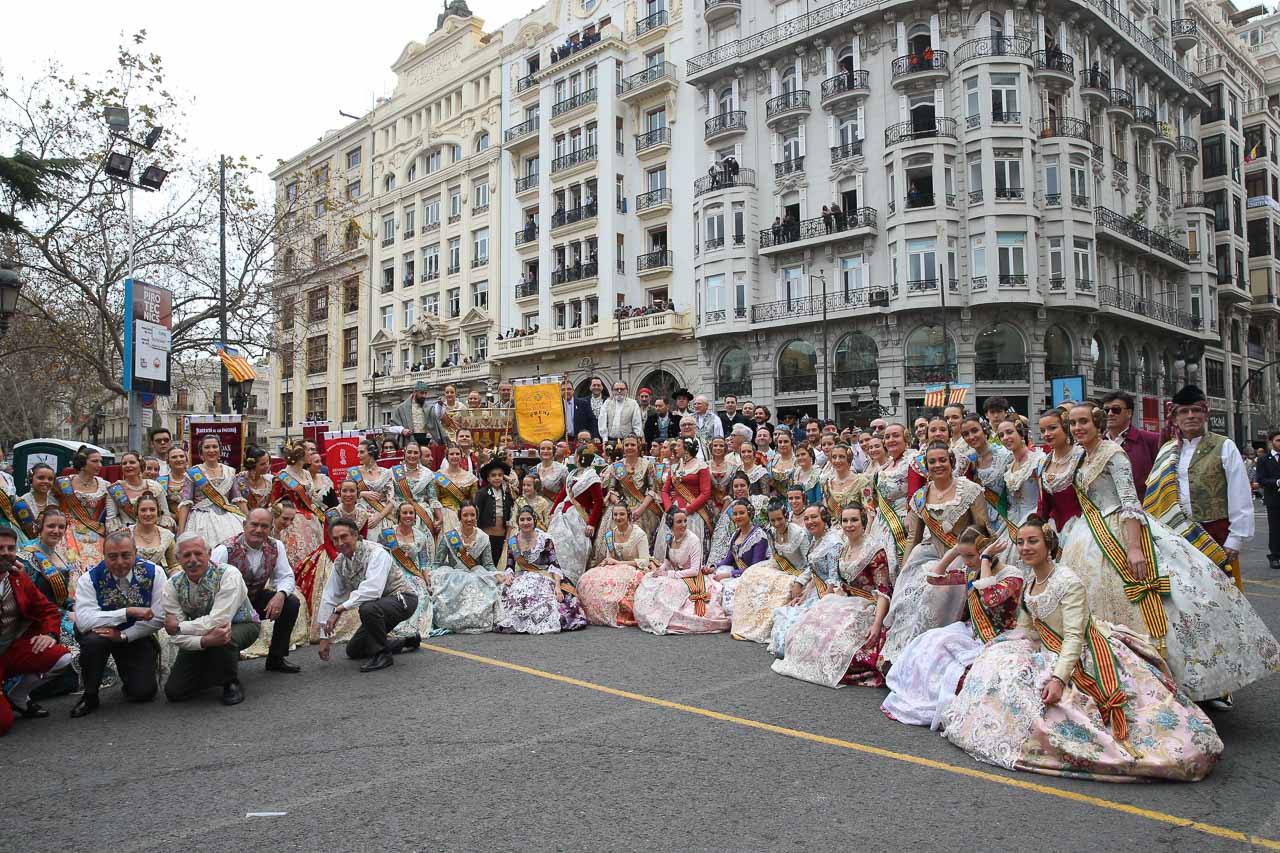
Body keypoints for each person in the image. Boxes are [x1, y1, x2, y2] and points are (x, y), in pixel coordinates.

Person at [941, 517, 1223, 782]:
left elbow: (1074, 638)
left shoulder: (1067, 582)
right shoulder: (1030, 582)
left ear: (1048, 544)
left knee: (1063, 706)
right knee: (998, 665)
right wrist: (1007, 648)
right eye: (1022, 543)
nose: (1026, 548)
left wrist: (1058, 678)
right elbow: (1027, 628)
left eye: (1033, 541)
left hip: (1084, 652)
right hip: (1051, 647)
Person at [1056, 402, 1279, 706]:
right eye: (1072, 423)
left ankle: (1181, 682)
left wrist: (1134, 548)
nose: (1077, 428)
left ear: (1097, 424)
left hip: (1122, 533)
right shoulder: (1080, 457)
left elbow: (1130, 503)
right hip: (1087, 537)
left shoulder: (1113, 454)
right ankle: (1109, 679)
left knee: (1175, 602)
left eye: (1083, 422)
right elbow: (1054, 481)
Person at [881, 527, 1022, 727]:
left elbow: (989, 598)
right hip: (972, 633)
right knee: (930, 641)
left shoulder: (1012, 575)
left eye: (970, 556)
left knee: (949, 658)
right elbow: (934, 578)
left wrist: (985, 559)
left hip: (999, 636)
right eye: (963, 556)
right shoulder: (971, 571)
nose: (966, 562)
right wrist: (954, 551)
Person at [880, 442, 989, 669]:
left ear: (951, 462)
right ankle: (899, 653)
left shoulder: (969, 490)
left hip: (961, 553)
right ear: (926, 466)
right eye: (932, 461)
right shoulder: (920, 495)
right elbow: (914, 537)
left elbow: (982, 530)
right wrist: (905, 567)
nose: (938, 465)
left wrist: (979, 560)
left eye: (942, 460)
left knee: (932, 591)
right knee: (907, 590)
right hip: (929, 551)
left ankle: (924, 652)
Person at [772, 505, 895, 687]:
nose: (849, 525)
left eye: (854, 520)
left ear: (863, 522)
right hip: (846, 601)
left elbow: (884, 592)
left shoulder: (875, 551)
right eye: (845, 520)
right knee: (806, 634)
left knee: (840, 650)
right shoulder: (843, 548)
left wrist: (877, 625)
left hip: (869, 607)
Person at [1146, 386, 1252, 592]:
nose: (1191, 416)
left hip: (1216, 536)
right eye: (1184, 412)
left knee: (1224, 595)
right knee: (1186, 597)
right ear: (1175, 418)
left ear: (1206, 414)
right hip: (1177, 537)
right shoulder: (1168, 450)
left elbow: (1240, 494)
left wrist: (1235, 539)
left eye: (1196, 410)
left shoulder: (1224, 446)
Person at [70, 531, 166, 718]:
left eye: (126, 555)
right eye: (112, 557)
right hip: (100, 634)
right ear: (104, 555)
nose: (120, 562)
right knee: (92, 642)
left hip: (135, 634)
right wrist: (127, 612)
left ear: (135, 552)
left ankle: (130, 676)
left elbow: (159, 617)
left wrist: (124, 635)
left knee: (143, 693)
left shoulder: (155, 573)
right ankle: (90, 695)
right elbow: (84, 621)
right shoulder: (89, 579)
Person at [160, 532, 261, 706]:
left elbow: (219, 620)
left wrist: (179, 627)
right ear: (178, 559)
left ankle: (230, 681)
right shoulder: (172, 585)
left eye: (198, 553)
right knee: (175, 692)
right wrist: (204, 642)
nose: (193, 560)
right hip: (199, 634)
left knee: (222, 635)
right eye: (186, 555)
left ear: (209, 553)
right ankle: (212, 667)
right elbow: (176, 637)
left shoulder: (228, 574)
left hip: (240, 624)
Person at [317, 518, 420, 672]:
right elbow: (330, 596)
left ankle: (383, 655)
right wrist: (324, 638)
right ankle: (405, 642)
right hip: (378, 606)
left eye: (344, 537)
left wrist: (340, 609)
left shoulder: (376, 552)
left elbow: (373, 589)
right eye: (335, 539)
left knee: (367, 608)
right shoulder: (340, 562)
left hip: (403, 599)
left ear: (356, 535)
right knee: (354, 650)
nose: (340, 543)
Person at [211, 508, 303, 674]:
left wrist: (280, 595)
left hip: (254, 598)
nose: (259, 530)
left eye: (264, 526)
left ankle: (276, 658)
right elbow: (209, 585)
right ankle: (223, 668)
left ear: (270, 528)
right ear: (244, 525)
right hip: (227, 604)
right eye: (254, 525)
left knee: (291, 603)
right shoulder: (224, 550)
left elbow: (287, 577)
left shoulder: (276, 546)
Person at [0, 527, 73, 734]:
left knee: (62, 658)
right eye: (0, 548)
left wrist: (49, 634)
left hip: (11, 649)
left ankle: (18, 696)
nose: (5, 552)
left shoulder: (17, 578)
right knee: (2, 724)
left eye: (10, 548)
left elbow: (48, 609)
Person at [634, 508, 731, 635]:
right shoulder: (670, 538)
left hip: (692, 578)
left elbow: (695, 571)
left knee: (669, 588)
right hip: (676, 575)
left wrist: (671, 574)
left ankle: (668, 618)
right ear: (671, 524)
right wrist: (660, 570)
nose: (684, 524)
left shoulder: (693, 540)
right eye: (679, 522)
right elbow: (668, 561)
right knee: (650, 580)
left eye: (685, 521)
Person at [727, 499, 810, 643]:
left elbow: (810, 564)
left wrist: (800, 582)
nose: (777, 524)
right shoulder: (771, 532)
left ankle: (763, 628)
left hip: (799, 572)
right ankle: (747, 624)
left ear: (786, 516)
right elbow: (774, 557)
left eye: (780, 519)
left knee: (778, 586)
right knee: (752, 575)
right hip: (780, 569)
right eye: (773, 520)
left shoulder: (799, 534)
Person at [496, 505, 587, 634]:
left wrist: (557, 586)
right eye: (522, 520)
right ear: (518, 522)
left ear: (534, 520)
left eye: (529, 519)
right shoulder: (513, 541)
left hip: (544, 576)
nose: (526, 523)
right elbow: (509, 566)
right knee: (507, 591)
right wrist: (509, 575)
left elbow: (554, 565)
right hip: (522, 576)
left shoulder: (545, 539)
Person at [579, 504, 650, 626]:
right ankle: (598, 613)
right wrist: (607, 562)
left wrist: (619, 563)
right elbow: (610, 557)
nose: (618, 517)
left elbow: (645, 561)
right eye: (615, 514)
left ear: (628, 515)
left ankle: (620, 613)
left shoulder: (639, 534)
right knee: (588, 578)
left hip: (636, 568)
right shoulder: (610, 535)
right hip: (616, 569)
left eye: (622, 514)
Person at [380, 504, 438, 642]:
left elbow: (424, 563)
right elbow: (379, 556)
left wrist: (427, 582)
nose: (408, 516)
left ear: (415, 516)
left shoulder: (421, 536)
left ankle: (412, 628)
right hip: (393, 575)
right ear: (399, 515)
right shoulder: (387, 533)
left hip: (413, 575)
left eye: (411, 513)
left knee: (422, 596)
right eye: (404, 513)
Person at [547, 446, 605, 583]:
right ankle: (555, 576)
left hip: (578, 518)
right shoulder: (572, 474)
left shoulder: (592, 477)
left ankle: (571, 580)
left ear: (578, 457)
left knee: (575, 550)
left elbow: (598, 502)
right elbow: (562, 495)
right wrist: (552, 512)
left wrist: (591, 523)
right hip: (561, 516)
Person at [179, 436, 247, 546]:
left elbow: (238, 499)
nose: (211, 450)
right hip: (201, 519)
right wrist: (181, 532)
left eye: (215, 447)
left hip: (229, 518)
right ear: (201, 452)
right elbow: (185, 504)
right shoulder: (193, 473)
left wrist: (248, 520)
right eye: (207, 447)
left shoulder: (229, 472)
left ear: (220, 451)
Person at [55, 448, 110, 573]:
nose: (99, 465)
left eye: (100, 461)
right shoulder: (64, 483)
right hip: (69, 532)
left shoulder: (105, 485)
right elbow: (52, 507)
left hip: (96, 530)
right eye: (95, 461)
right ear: (83, 463)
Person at [601, 435, 662, 543]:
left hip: (643, 508)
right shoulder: (616, 466)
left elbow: (653, 490)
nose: (629, 447)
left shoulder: (647, 465)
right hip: (620, 506)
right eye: (627, 445)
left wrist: (640, 509)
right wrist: (621, 507)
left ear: (638, 447)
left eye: (632, 445)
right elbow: (611, 490)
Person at [960, 415, 1013, 537]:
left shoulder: (1005, 455)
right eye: (966, 434)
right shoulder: (968, 460)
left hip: (1006, 518)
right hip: (980, 521)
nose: (971, 437)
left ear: (984, 429)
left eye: (974, 430)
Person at [1101, 391, 1160, 498]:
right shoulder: (1098, 443)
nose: (1110, 414)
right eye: (1106, 410)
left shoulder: (1151, 440)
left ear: (1129, 413)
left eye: (1116, 410)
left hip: (1142, 509)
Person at [996, 418, 1045, 529]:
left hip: (1034, 519)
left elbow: (1044, 498)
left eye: (1009, 432)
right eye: (1001, 435)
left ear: (1022, 434)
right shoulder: (1009, 466)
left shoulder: (1037, 459)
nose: (1005, 438)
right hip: (1013, 520)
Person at [106, 450, 171, 532]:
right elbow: (112, 519)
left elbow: (165, 516)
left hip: (154, 532)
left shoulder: (155, 486)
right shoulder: (114, 489)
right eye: (124, 463)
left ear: (141, 465)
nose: (128, 465)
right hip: (127, 534)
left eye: (132, 462)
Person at [390, 441, 442, 538]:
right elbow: (389, 496)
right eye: (409, 452)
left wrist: (439, 518)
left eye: (415, 453)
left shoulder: (427, 474)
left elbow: (432, 498)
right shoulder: (393, 472)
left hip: (422, 516)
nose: (412, 455)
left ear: (420, 455)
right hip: (399, 514)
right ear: (404, 454)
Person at [349, 439, 396, 542]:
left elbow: (392, 500)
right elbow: (346, 495)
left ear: (371, 453)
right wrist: (361, 493)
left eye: (361, 452)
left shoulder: (386, 473)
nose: (358, 455)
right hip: (360, 515)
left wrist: (379, 517)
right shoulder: (353, 472)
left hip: (382, 515)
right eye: (358, 452)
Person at [129, 493, 180, 576]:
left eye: (152, 510)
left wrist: (174, 575)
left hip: (158, 581)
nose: (148, 514)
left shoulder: (166, 536)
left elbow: (174, 565)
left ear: (158, 512)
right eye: (143, 510)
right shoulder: (127, 534)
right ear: (136, 512)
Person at [475, 459, 515, 563]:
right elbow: (477, 513)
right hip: (486, 535)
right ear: (488, 478)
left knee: (498, 560)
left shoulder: (507, 493)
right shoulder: (482, 493)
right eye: (493, 475)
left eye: (500, 475)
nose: (497, 478)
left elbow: (510, 513)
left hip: (502, 535)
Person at [434, 445, 480, 534]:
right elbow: (434, 500)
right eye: (451, 454)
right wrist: (437, 518)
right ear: (446, 457)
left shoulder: (470, 478)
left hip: (464, 517)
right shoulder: (438, 476)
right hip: (445, 516)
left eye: (457, 454)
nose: (454, 456)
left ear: (461, 455)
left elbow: (474, 502)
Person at [14, 462, 58, 545]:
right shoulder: (22, 502)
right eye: (41, 478)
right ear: (31, 479)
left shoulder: (55, 502)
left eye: (50, 479)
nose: (46, 481)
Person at [390, 380, 446, 445]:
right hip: (409, 441)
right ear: (414, 392)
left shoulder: (428, 408)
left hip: (425, 441)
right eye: (422, 393)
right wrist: (402, 430)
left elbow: (436, 417)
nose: (424, 396)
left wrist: (439, 405)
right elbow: (392, 427)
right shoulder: (401, 408)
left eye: (425, 393)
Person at [1255, 430, 1280, 569]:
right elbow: (1261, 479)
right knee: (1275, 529)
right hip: (1274, 499)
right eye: (1278, 440)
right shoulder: (1264, 460)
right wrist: (1276, 482)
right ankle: (1275, 556)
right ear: (1271, 442)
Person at [235, 447, 275, 514]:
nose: (267, 466)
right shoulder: (239, 481)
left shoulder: (271, 479)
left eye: (268, 462)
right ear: (252, 465)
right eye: (262, 464)